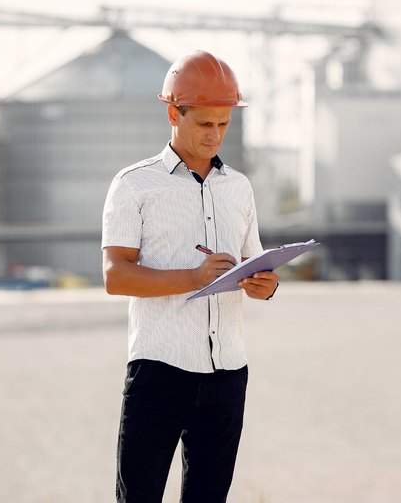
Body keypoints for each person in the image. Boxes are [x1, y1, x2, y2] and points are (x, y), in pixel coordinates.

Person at [101, 50, 279, 503]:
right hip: (159, 369)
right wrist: (195, 277)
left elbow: (254, 262)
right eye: (205, 124)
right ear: (173, 114)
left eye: (224, 124)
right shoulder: (134, 184)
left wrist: (267, 285)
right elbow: (115, 275)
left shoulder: (238, 187)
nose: (215, 135)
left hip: (228, 372)